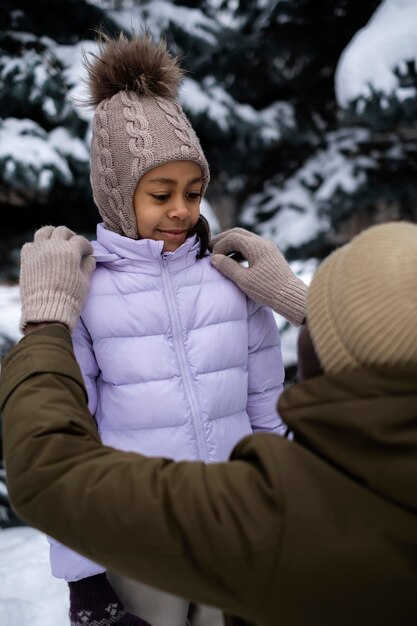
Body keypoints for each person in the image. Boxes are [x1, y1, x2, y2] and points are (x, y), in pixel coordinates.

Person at [21, 31, 305, 626]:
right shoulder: (85, 293)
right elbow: (73, 444)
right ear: (117, 195)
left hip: (240, 531)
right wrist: (86, 575)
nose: (181, 209)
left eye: (194, 192)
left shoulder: (232, 281)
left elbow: (266, 406)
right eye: (160, 193)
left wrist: (287, 512)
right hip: (139, 545)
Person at [1, 221, 417, 626]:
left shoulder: (284, 517)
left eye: (321, 321)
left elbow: (50, 471)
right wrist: (309, 307)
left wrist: (46, 327)